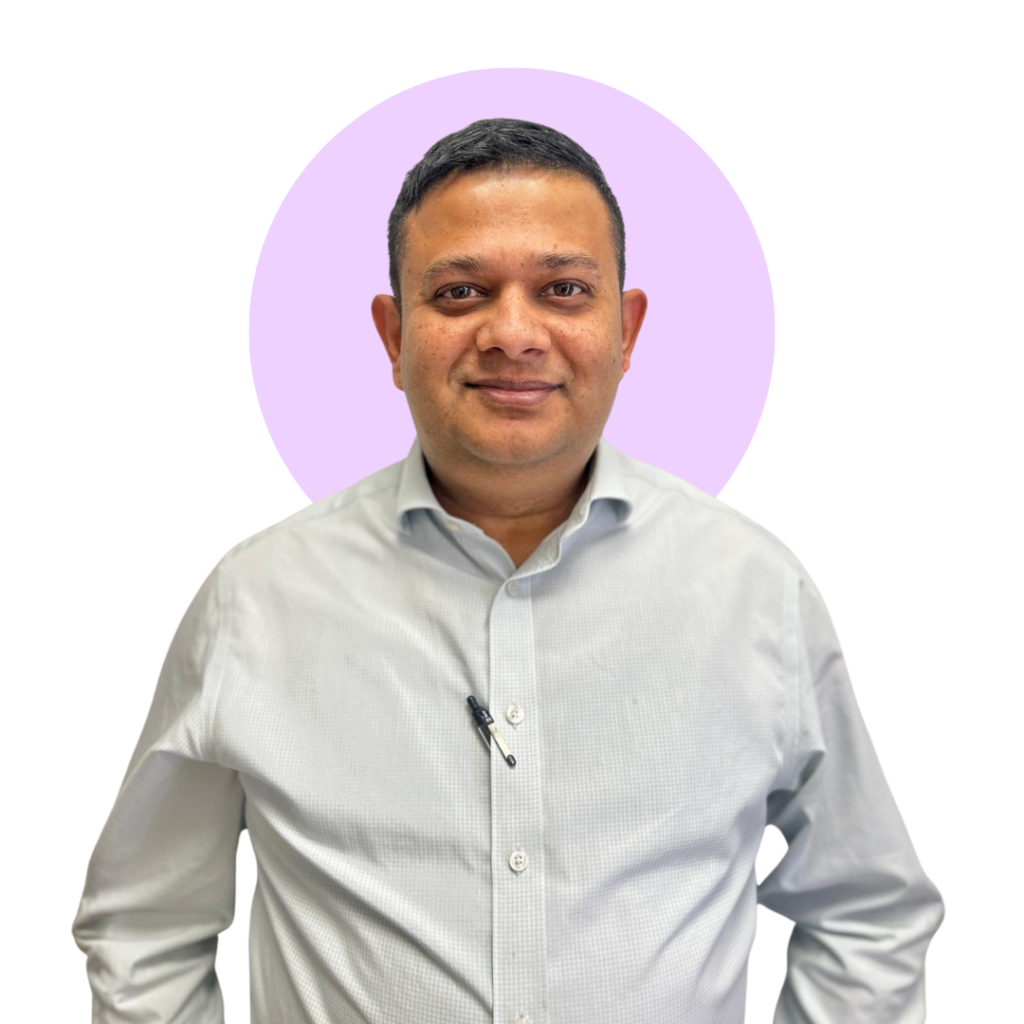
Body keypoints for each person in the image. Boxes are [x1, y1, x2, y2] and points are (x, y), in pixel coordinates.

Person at [70, 118, 946, 1023]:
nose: (514, 333)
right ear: (393, 335)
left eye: (564, 289)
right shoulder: (255, 596)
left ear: (626, 327)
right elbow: (145, 923)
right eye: (462, 292)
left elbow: (867, 910)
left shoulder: (756, 589)